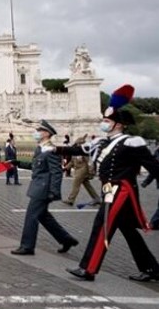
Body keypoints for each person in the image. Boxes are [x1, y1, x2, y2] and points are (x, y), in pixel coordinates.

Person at [60, 85, 159, 282]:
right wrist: (53, 149)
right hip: (109, 189)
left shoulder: (133, 142)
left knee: (102, 225)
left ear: (118, 125)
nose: (103, 124)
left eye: (107, 121)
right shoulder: (102, 143)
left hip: (121, 190)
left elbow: (153, 166)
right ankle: (152, 269)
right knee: (129, 232)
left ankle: (88, 268)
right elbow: (78, 150)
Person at [11, 120, 78, 256]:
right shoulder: (39, 148)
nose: (36, 133)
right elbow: (36, 167)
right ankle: (66, 239)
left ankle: (27, 246)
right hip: (38, 187)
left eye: (39, 131)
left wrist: (54, 191)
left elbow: (56, 172)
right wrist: (18, 163)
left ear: (46, 134)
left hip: (43, 189)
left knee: (31, 216)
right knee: (43, 216)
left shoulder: (51, 150)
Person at [62, 135, 100, 207]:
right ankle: (96, 198)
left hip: (83, 170)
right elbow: (72, 162)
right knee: (87, 185)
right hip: (78, 169)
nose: (77, 145)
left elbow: (89, 162)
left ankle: (71, 200)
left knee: (75, 185)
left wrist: (91, 172)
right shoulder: (76, 152)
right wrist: (65, 168)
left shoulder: (84, 152)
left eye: (78, 144)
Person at [144, 147, 159, 230]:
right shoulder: (157, 152)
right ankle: (154, 223)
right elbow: (154, 169)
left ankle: (154, 223)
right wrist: (147, 181)